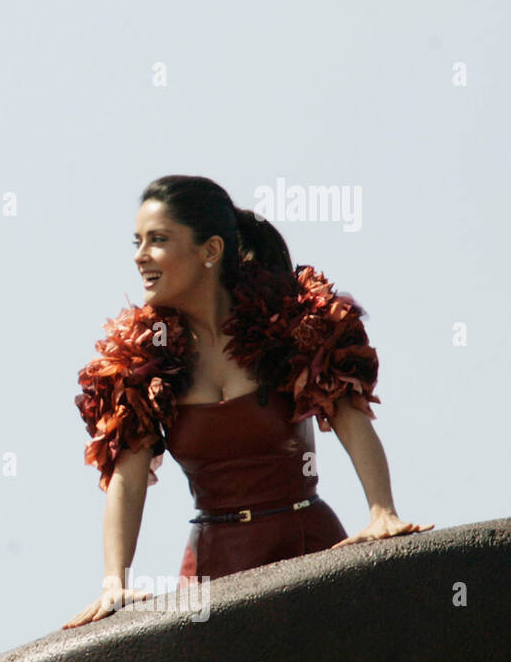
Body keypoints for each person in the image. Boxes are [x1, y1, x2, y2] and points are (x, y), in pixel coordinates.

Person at [64, 175, 430, 628]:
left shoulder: (290, 321)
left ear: (210, 251)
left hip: (306, 542)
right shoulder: (142, 358)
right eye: (137, 241)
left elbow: (350, 417)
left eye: (158, 240)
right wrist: (113, 582)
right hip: (211, 568)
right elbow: (127, 477)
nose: (140, 256)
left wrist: (382, 512)